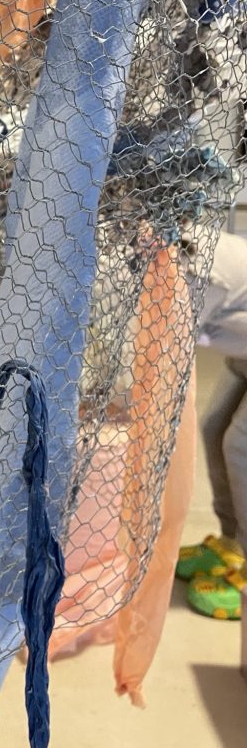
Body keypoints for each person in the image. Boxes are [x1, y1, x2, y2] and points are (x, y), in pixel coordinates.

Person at [176, 228, 247, 618]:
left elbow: (170, 345)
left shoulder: (197, 268)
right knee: (213, 426)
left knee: (240, 447)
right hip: (243, 351)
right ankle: (231, 541)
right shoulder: (165, 250)